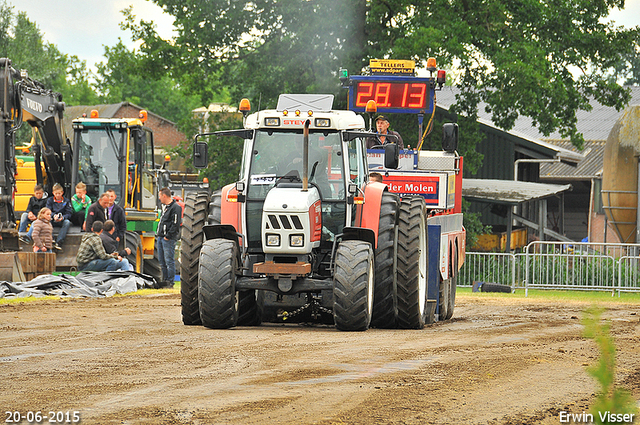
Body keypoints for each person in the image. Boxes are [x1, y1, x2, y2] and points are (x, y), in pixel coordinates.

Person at [156, 187, 182, 288]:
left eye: (160, 196)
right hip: (161, 237)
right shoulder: (165, 207)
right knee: (162, 261)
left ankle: (170, 282)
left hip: (168, 239)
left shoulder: (175, 208)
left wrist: (168, 236)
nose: (159, 198)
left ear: (164, 196)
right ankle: (165, 280)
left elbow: (175, 224)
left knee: (169, 261)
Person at [45, 183, 73, 251]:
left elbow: (69, 213)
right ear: (53, 193)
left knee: (67, 222)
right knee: (46, 221)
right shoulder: (50, 200)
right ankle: (52, 239)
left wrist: (62, 217)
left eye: (59, 193)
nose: (58, 195)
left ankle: (59, 242)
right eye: (56, 193)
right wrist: (53, 215)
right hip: (52, 219)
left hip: (62, 219)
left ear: (62, 193)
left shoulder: (66, 201)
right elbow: (47, 210)